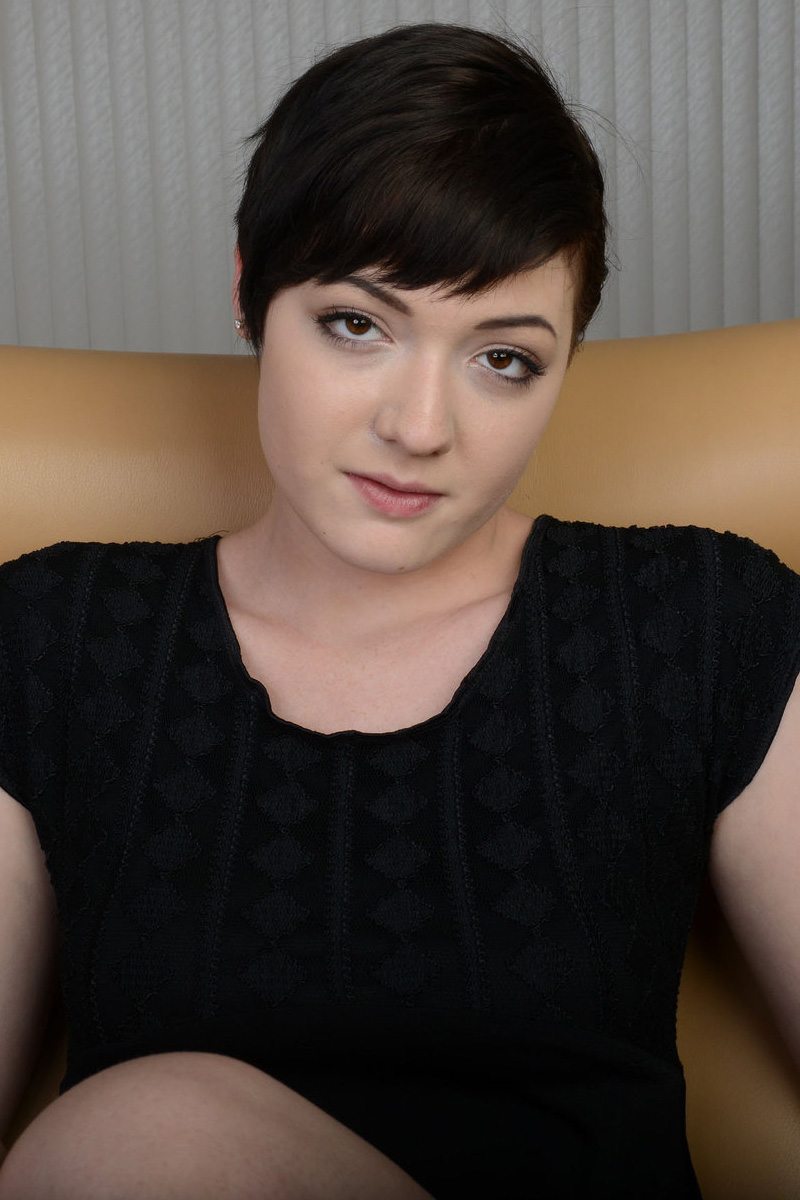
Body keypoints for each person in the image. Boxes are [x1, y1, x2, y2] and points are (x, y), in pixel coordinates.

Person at [0, 21, 799, 1200]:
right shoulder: (55, 638)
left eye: (502, 359)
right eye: (357, 325)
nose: (420, 428)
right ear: (247, 292)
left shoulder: (696, 621)